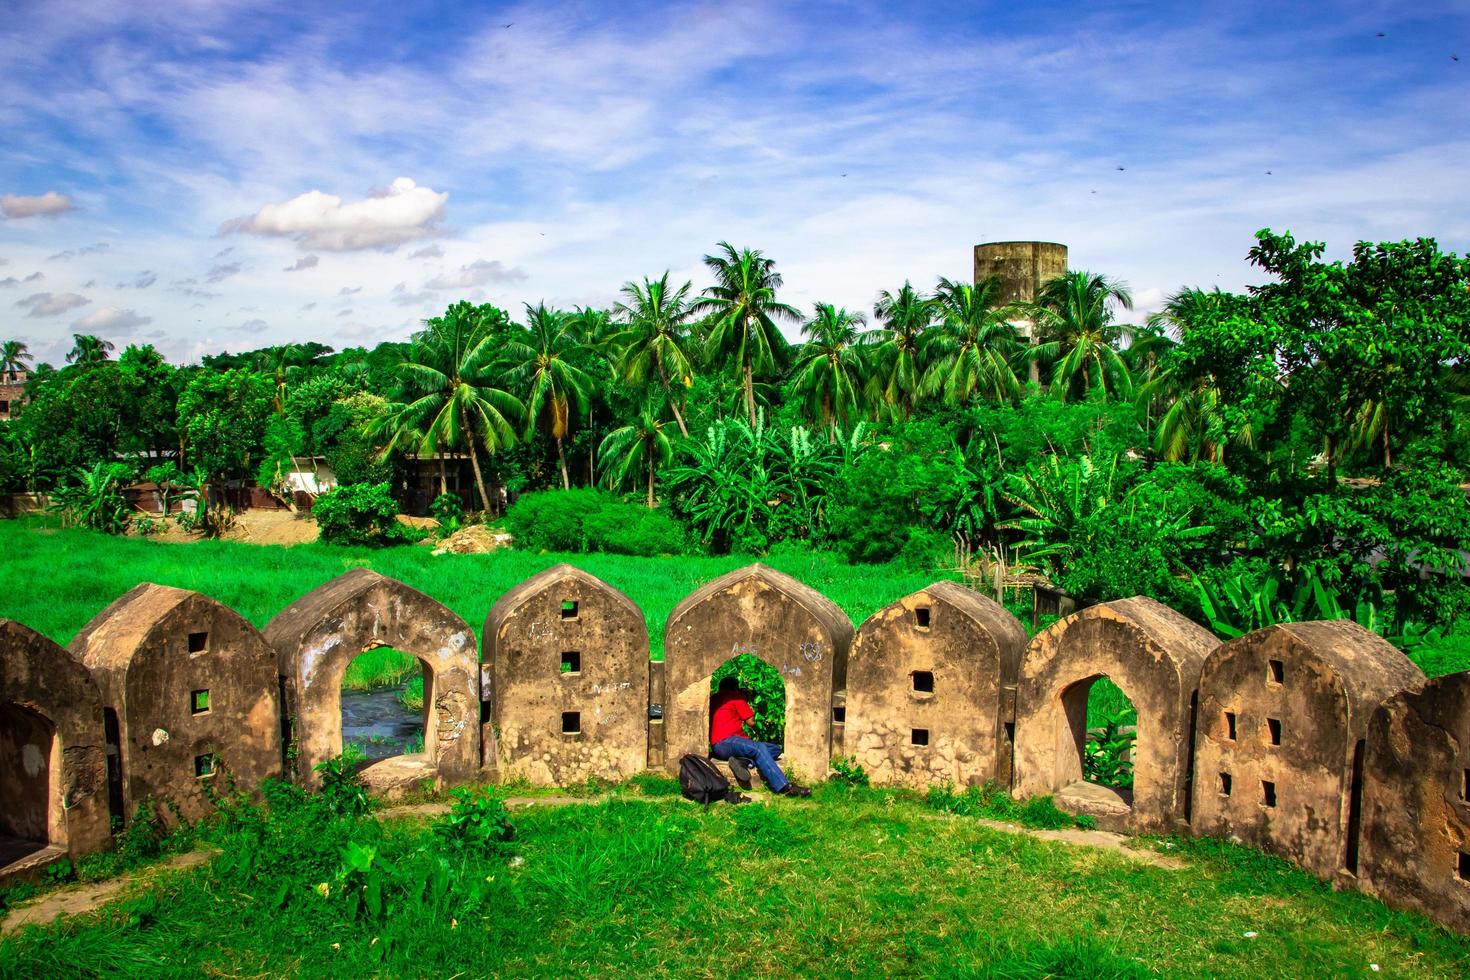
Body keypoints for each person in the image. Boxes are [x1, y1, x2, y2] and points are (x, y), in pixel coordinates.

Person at [708, 675, 811, 797]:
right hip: (728, 741)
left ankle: (744, 761)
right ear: (736, 688)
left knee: (775, 749)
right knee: (759, 749)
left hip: (717, 747)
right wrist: (745, 700)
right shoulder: (736, 698)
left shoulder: (713, 698)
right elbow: (751, 722)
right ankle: (785, 787)